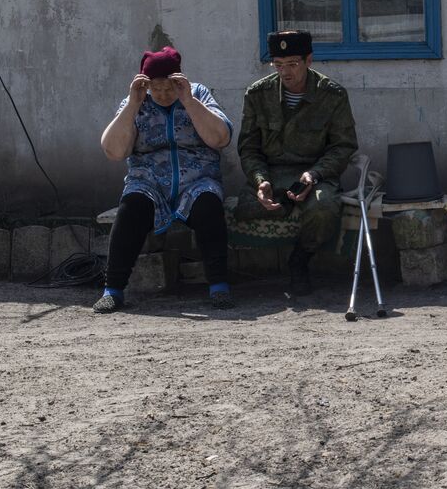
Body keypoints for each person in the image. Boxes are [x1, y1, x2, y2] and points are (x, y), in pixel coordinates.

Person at [97, 46, 234, 312]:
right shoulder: (135, 102)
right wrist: (133, 104)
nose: (162, 95)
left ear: (179, 80)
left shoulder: (198, 93)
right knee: (130, 210)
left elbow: (221, 138)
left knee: (208, 207)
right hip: (148, 183)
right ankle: (112, 289)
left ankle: (219, 286)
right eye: (155, 89)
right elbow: (113, 151)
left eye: (169, 88)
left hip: (197, 181)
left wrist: (189, 101)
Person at [234, 30, 358, 296]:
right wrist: (260, 180)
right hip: (272, 173)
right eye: (278, 65)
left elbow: (343, 146)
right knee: (244, 206)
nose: (285, 72)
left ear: (308, 60)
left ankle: (300, 259)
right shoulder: (257, 94)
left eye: (292, 64)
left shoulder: (332, 95)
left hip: (314, 174)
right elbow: (249, 147)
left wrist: (314, 175)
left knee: (324, 208)